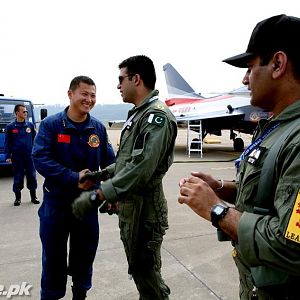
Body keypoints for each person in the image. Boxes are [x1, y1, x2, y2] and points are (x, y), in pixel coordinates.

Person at [178, 14, 300, 300]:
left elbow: (291, 245)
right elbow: (273, 192)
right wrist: (221, 188)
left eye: (249, 67)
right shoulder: (275, 128)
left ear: (278, 64)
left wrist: (217, 209)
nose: (244, 79)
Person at [72, 55, 178, 299]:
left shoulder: (156, 118)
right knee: (141, 276)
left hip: (146, 214)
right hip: (133, 211)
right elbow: (126, 163)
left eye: (121, 79)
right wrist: (100, 175)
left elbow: (142, 169)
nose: (118, 85)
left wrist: (101, 193)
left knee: (149, 279)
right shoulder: (138, 115)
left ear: (136, 79)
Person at [32, 75, 116, 300]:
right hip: (56, 203)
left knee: (84, 254)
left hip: (87, 204)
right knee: (53, 255)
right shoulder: (51, 125)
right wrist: (72, 177)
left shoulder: (97, 128)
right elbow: (40, 157)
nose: (89, 99)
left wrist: (113, 191)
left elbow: (110, 163)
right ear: (70, 94)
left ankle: (80, 293)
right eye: (84, 94)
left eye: (93, 95)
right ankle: (51, 295)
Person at [4, 104, 39, 206]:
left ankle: (33, 197)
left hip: (29, 156)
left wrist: (36, 152)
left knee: (32, 176)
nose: (26, 113)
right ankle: (18, 198)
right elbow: (7, 143)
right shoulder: (10, 127)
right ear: (17, 113)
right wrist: (7, 156)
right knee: (18, 177)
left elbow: (35, 140)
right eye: (23, 111)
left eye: (26, 111)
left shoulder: (30, 125)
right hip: (17, 157)